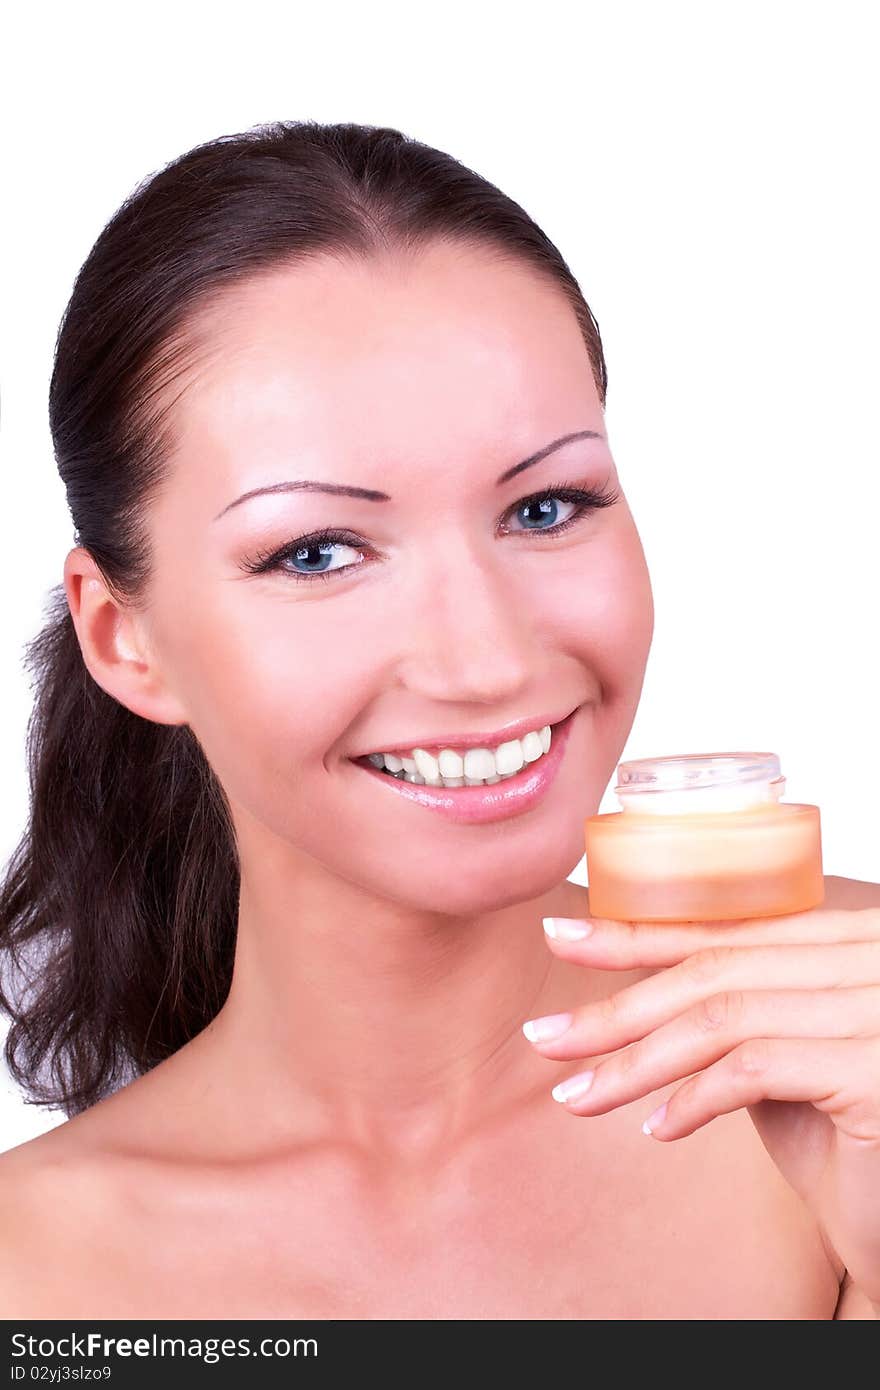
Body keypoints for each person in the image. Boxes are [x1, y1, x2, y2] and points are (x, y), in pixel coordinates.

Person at [0, 120, 878, 1321]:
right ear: (123, 636)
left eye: (546, 505)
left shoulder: (850, 1060)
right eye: (316, 551)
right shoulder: (33, 1271)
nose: (484, 658)